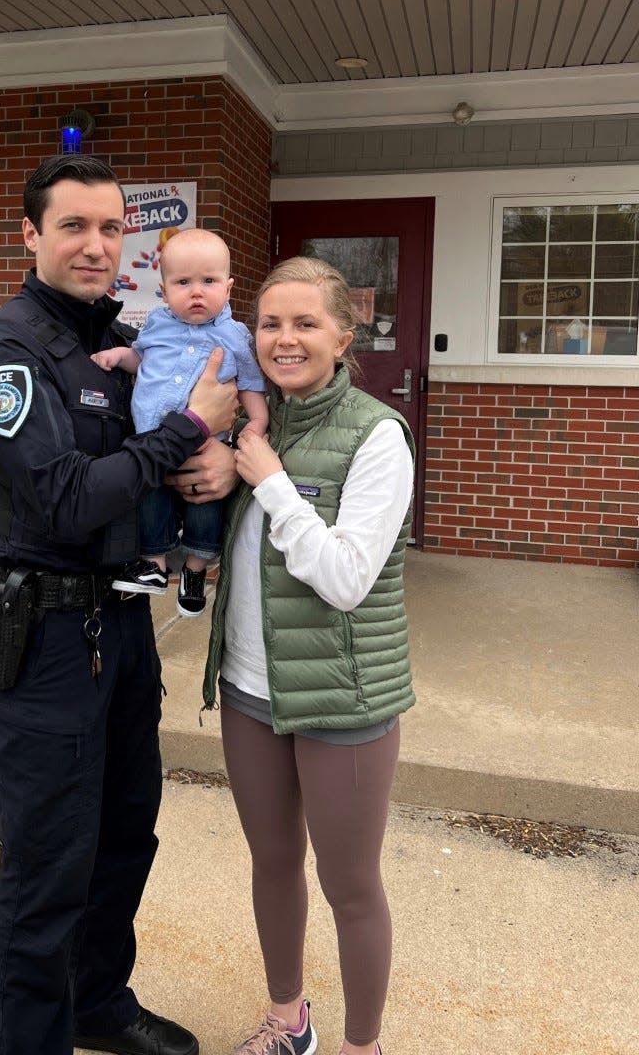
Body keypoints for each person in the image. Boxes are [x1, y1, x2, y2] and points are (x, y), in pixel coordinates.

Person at [0, 154, 239, 1055]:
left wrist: (221, 458)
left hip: (120, 620)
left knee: (123, 834)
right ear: (32, 234)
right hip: (43, 637)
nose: (94, 244)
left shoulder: (126, 335)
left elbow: (195, 446)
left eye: (111, 227)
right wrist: (185, 431)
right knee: (45, 867)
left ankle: (96, 1002)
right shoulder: (6, 350)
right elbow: (64, 498)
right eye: (73, 225)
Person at [202, 256, 416, 1055]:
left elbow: (345, 579)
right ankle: (289, 1021)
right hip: (252, 691)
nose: (284, 340)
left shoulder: (376, 435)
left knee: (350, 887)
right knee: (272, 863)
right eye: (269, 323)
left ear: (343, 335)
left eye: (304, 324)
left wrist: (271, 481)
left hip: (344, 701)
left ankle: (363, 1047)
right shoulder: (254, 425)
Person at [91, 227, 267, 617]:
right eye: (183, 282)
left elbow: (252, 383)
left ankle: (195, 568)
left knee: (202, 501)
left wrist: (257, 420)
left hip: (203, 445)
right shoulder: (156, 324)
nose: (197, 292)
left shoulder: (235, 336)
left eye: (209, 281)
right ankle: (154, 566)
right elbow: (143, 359)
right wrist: (120, 356)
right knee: (151, 499)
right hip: (152, 440)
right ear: (164, 289)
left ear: (229, 287)